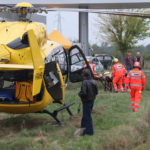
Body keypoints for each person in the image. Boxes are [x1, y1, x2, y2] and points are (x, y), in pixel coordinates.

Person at [78, 68, 98, 136]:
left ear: (84, 75)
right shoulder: (94, 81)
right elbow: (96, 92)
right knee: (85, 116)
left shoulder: (85, 82)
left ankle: (90, 132)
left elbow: (83, 92)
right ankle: (82, 131)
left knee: (87, 117)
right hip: (92, 101)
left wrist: (80, 94)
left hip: (86, 101)